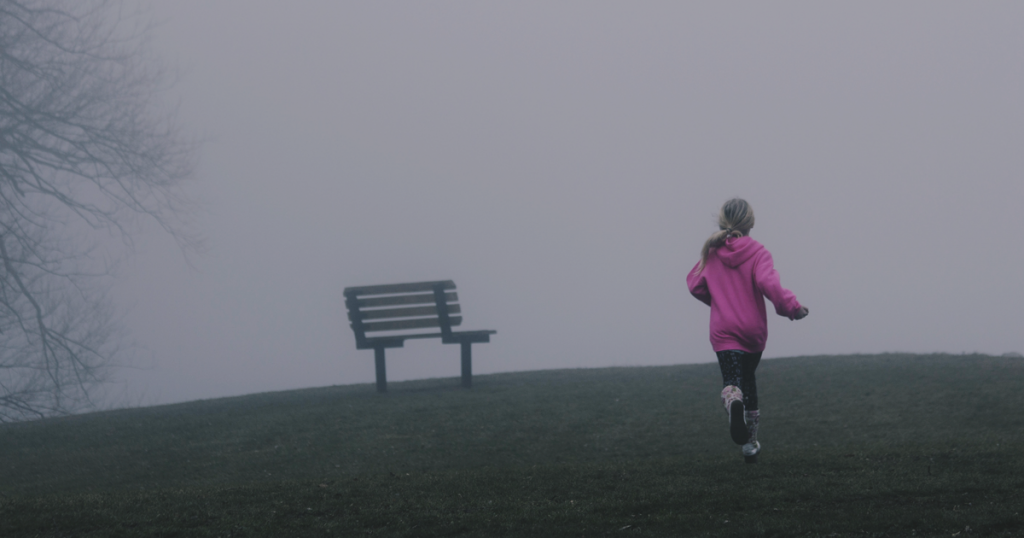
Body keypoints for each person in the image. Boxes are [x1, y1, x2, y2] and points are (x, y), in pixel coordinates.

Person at [686, 198, 808, 463]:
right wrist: (793, 308)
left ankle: (733, 403)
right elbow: (769, 284)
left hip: (723, 331)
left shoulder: (712, 252)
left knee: (733, 381)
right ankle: (750, 445)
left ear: (722, 222)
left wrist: (719, 301)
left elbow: (694, 284)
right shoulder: (758, 253)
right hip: (752, 332)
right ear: (751, 223)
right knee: (749, 381)